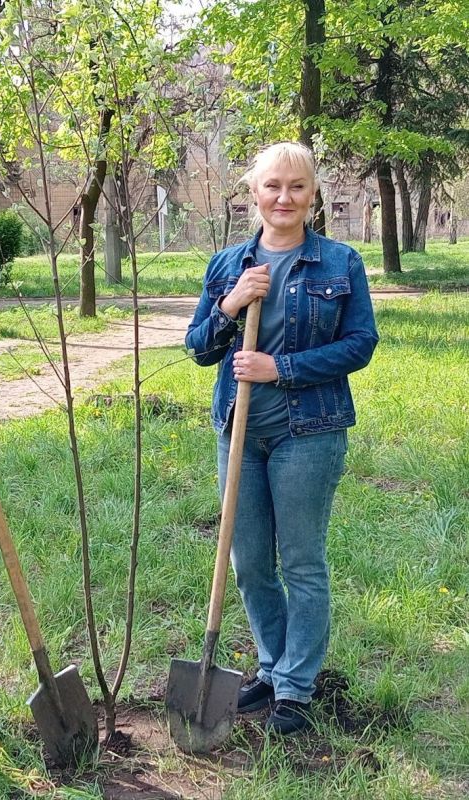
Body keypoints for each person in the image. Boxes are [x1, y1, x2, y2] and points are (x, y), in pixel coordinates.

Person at [185, 142, 378, 735]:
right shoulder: (227, 265)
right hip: (238, 432)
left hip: (309, 433)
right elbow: (198, 347)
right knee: (247, 564)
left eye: (297, 186)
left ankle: (295, 687)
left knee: (301, 562)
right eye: (272, 186)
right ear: (254, 193)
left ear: (313, 194)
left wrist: (282, 370)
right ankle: (270, 667)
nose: (284, 197)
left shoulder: (339, 263)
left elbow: (360, 344)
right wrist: (230, 303)